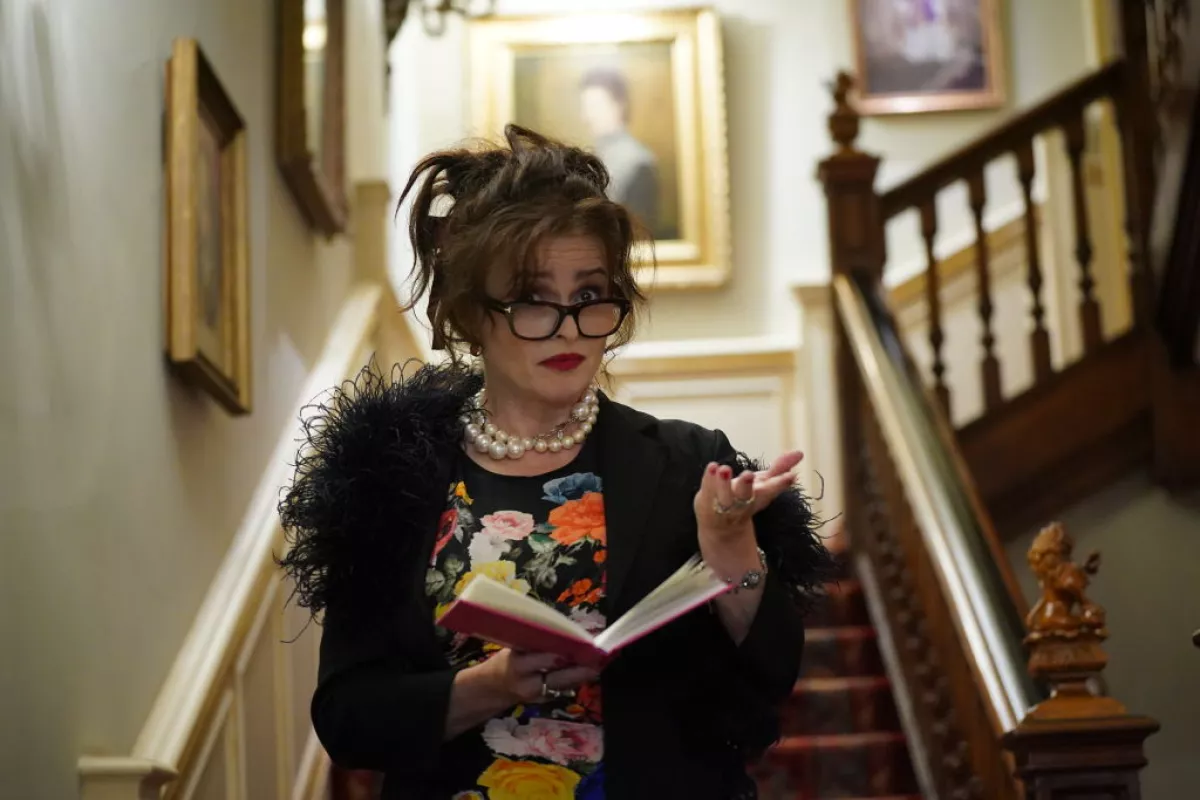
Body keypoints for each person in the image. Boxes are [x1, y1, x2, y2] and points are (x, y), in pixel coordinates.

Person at [277, 124, 833, 799]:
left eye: (590, 295)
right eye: (534, 298)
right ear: (472, 314)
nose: (569, 325)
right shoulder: (392, 477)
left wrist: (733, 552)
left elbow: (772, 679)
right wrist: (487, 686)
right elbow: (348, 719)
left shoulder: (690, 462)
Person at [578, 68, 661, 235]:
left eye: (594, 107)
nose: (586, 117)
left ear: (619, 106)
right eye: (585, 108)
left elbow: (639, 233)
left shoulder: (638, 162)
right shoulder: (594, 156)